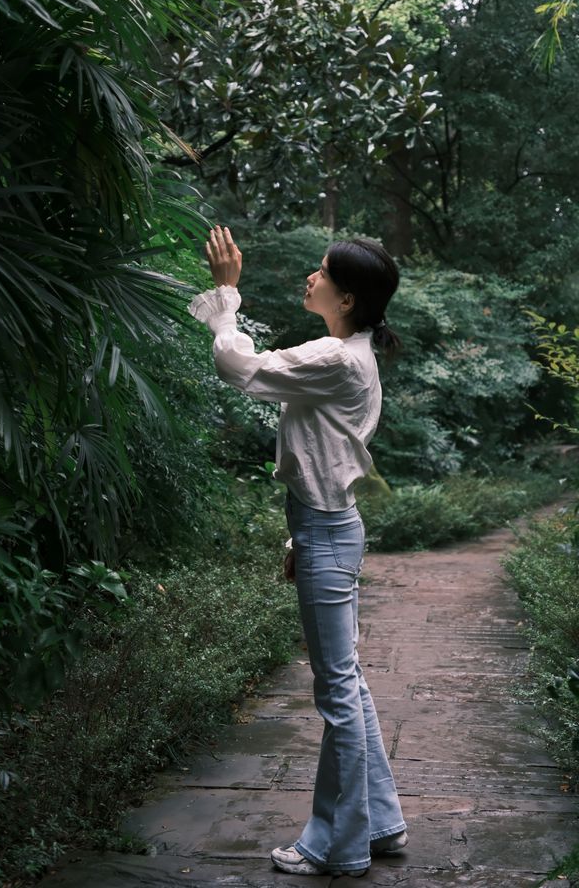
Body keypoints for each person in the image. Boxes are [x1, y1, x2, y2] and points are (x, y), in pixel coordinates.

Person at [188, 225, 408, 878]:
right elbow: (327, 455)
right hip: (327, 527)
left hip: (329, 531)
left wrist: (226, 294)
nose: (309, 278)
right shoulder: (352, 350)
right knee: (349, 685)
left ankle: (335, 846)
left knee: (338, 692)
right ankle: (383, 821)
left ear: (345, 298)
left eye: (320, 273)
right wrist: (299, 538)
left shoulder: (338, 359)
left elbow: (240, 367)